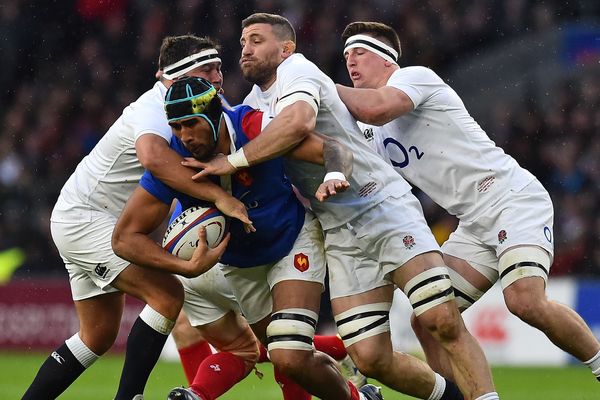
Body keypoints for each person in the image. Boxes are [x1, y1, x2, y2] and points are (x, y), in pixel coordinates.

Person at [186, 12, 497, 400]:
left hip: (380, 206)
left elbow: (299, 123)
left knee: (440, 319)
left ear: (286, 48)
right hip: (337, 230)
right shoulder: (252, 104)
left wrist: (233, 162)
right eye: (243, 42)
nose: (246, 49)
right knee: (371, 358)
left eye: (256, 40)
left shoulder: (298, 72)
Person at [335, 21, 600, 386]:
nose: (350, 62)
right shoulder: (371, 130)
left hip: (511, 198)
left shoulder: (415, 78)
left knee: (524, 300)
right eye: (346, 55)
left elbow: (377, 108)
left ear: (386, 59)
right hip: (474, 223)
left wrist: (319, 86)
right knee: (430, 319)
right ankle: (458, 396)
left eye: (359, 52)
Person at [112, 76, 381, 400]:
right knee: (288, 355)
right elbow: (124, 239)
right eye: (176, 126)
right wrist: (184, 268)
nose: (185, 136)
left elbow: (332, 148)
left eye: (191, 124)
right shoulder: (175, 159)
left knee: (289, 351)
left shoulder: (254, 126)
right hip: (240, 267)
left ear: (214, 114)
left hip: (292, 242)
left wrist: (335, 174)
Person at [21, 35, 251, 400]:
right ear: (175, 75)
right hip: (88, 219)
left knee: (96, 337)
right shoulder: (153, 105)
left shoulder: (202, 105)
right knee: (167, 293)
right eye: (208, 68)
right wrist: (218, 196)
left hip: (89, 218)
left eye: (219, 67)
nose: (219, 76)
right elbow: (153, 159)